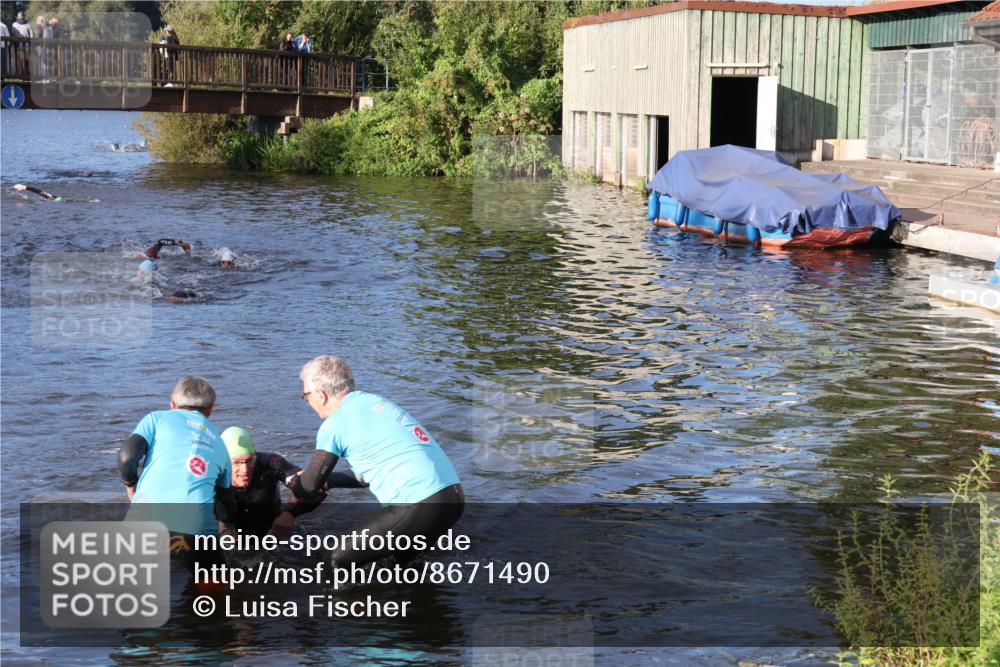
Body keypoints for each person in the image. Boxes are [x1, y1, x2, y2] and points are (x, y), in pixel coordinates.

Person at [290, 356, 464, 567]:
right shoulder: (375, 402)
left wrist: (293, 480)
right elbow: (366, 477)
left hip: (420, 502)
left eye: (306, 395)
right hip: (452, 498)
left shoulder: (334, 424)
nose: (307, 402)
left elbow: (308, 487)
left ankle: (342, 602)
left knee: (337, 559)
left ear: (320, 394)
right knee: (398, 566)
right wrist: (331, 480)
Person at [117, 377, 236, 576]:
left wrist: (131, 484)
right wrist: (227, 524)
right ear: (210, 409)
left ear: (172, 405)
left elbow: (127, 457)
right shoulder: (220, 441)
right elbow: (226, 499)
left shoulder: (157, 418)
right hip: (196, 527)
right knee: (214, 586)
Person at [216, 426, 367, 538]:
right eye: (236, 462)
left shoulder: (270, 463)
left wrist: (290, 513)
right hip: (228, 535)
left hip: (273, 533)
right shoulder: (212, 473)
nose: (244, 469)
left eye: (250, 460)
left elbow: (314, 485)